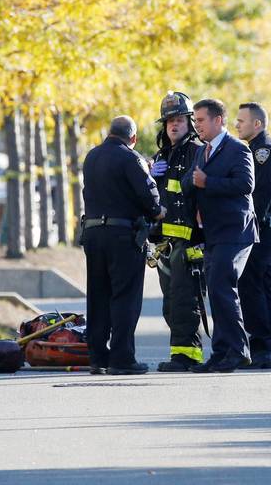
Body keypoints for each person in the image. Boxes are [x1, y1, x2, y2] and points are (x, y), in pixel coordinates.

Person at [80, 115, 166, 375]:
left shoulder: (91, 157)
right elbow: (148, 196)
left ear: (109, 132)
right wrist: (157, 211)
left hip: (93, 234)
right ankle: (122, 359)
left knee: (98, 296)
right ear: (133, 138)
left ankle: (97, 357)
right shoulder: (132, 158)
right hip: (122, 235)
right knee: (125, 297)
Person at [181, 98, 257, 373]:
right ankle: (222, 352)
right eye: (196, 121)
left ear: (218, 120)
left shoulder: (238, 149)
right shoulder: (203, 152)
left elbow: (246, 185)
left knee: (223, 288)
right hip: (212, 233)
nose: (196, 126)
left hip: (235, 231)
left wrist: (207, 182)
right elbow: (188, 180)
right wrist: (193, 182)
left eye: (200, 120)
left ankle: (237, 350)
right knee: (216, 290)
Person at [149, 92, 207, 372]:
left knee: (185, 301)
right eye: (169, 120)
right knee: (171, 304)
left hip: (189, 242)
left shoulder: (198, 151)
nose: (174, 125)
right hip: (165, 244)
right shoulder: (161, 156)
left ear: (189, 122)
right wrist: (150, 175)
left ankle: (187, 356)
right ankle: (181, 352)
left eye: (179, 120)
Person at [234, 103, 271, 369]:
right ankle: (270, 346)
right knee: (261, 285)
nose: (237, 125)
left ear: (257, 124)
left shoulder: (263, 151)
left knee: (253, 284)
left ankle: (263, 347)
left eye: (241, 121)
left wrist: (249, 224)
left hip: (262, 227)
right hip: (264, 226)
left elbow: (261, 195)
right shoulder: (255, 149)